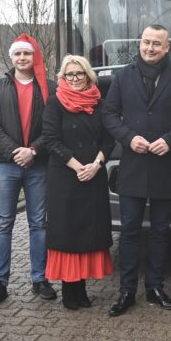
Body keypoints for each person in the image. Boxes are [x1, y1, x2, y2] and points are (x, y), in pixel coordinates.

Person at [102, 24, 171, 316]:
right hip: (132, 166)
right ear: (140, 44)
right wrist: (128, 137)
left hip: (166, 165)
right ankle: (127, 291)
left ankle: (155, 288)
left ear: (167, 47)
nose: (150, 48)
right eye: (146, 42)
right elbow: (108, 114)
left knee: (160, 231)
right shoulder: (122, 76)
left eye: (156, 44)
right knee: (131, 231)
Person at [0, 35, 57, 308]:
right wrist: (15, 151)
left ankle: (41, 278)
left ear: (34, 56)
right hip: (5, 165)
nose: (22, 58)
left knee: (39, 223)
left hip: (38, 165)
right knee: (2, 224)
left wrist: (33, 150)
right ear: (11, 57)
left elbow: (53, 126)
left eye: (27, 54)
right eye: (18, 54)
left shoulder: (49, 87)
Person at [42, 55, 115, 310]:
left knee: (88, 233)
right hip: (65, 177)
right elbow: (51, 140)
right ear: (62, 77)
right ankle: (69, 293)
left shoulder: (100, 104)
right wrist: (77, 166)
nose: (74, 79)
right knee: (67, 234)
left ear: (88, 76)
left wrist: (96, 164)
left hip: (93, 176)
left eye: (79, 74)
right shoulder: (54, 103)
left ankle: (82, 291)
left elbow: (109, 139)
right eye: (69, 74)